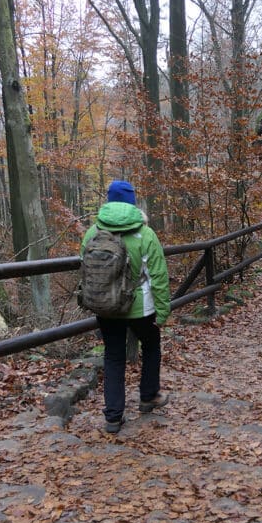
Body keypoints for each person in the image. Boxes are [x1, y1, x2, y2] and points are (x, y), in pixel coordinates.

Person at [81, 180, 170, 434]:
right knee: (151, 346)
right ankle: (148, 396)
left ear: (108, 201)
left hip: (107, 306)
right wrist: (163, 310)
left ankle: (112, 417)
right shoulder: (145, 233)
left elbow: (84, 267)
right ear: (133, 202)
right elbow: (158, 276)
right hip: (140, 307)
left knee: (113, 356)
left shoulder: (93, 232)